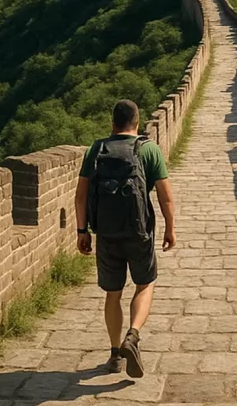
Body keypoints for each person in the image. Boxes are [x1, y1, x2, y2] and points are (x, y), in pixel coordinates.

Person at [74, 99, 176, 378]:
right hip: (139, 232)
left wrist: (82, 231)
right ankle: (133, 335)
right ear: (137, 121)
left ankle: (114, 353)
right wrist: (170, 228)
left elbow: (81, 196)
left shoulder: (96, 149)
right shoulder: (149, 149)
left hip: (106, 233)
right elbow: (165, 196)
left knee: (113, 293)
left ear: (112, 123)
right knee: (145, 285)